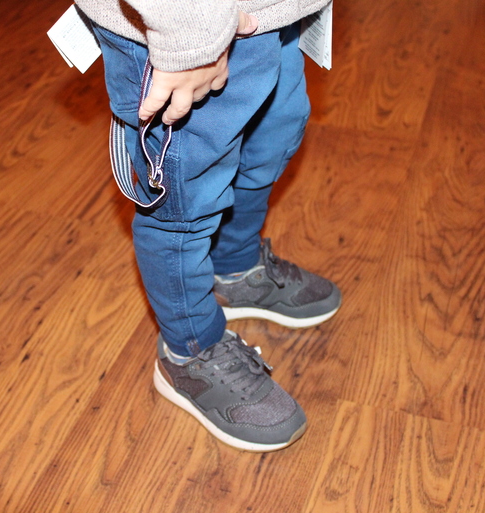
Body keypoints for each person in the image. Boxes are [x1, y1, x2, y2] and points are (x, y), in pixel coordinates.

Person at [74, 0, 340, 452]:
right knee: (182, 202)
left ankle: (233, 267)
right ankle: (189, 350)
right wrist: (190, 41)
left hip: (266, 15)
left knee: (268, 144)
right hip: (181, 35)